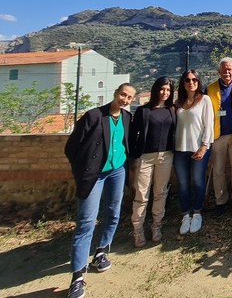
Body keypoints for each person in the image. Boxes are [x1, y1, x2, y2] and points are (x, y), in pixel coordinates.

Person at [64, 82, 137, 298]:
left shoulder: (126, 118)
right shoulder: (94, 116)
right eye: (123, 95)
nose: (125, 99)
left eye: (129, 97)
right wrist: (82, 171)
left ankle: (102, 251)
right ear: (116, 94)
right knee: (86, 222)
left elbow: (126, 144)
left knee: (113, 213)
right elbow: (71, 148)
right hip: (94, 176)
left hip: (117, 171)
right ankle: (77, 276)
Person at [128, 76, 176, 247]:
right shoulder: (143, 111)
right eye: (162, 89)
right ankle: (138, 229)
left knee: (160, 192)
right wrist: (135, 155)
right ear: (156, 89)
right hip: (145, 157)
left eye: (168, 90)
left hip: (166, 156)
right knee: (141, 195)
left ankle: (156, 225)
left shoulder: (172, 109)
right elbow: (133, 135)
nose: (165, 92)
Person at [174, 69, 214, 235]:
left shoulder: (204, 100)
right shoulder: (178, 103)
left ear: (199, 82)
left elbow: (209, 124)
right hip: (179, 149)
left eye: (194, 80)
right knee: (183, 184)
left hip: (198, 148)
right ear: (183, 83)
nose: (191, 83)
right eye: (187, 80)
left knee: (197, 181)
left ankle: (197, 213)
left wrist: (204, 146)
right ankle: (185, 215)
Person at [206, 57, 232, 216]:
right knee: (218, 170)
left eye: (230, 69)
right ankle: (221, 201)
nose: (227, 72)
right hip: (218, 136)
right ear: (219, 71)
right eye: (224, 69)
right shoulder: (210, 88)